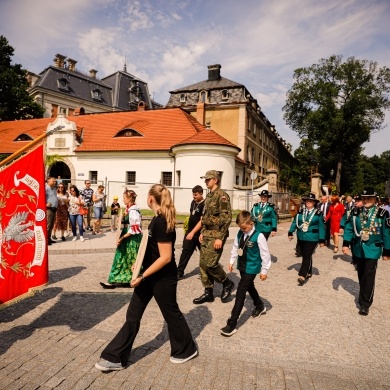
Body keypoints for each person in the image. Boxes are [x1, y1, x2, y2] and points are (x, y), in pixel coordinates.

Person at [95, 184, 198, 371]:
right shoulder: (156, 220)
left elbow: (166, 257)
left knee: (171, 314)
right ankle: (115, 356)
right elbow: (151, 250)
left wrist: (142, 274)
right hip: (149, 274)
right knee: (132, 315)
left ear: (151, 198)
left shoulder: (162, 222)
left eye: (147, 195)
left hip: (163, 278)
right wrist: (139, 265)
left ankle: (186, 349)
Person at [220, 210, 271, 337]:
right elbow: (235, 247)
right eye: (240, 228)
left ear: (252, 223)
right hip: (242, 265)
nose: (243, 230)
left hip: (252, 267)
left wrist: (264, 271)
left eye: (244, 227)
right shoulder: (240, 233)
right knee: (249, 286)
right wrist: (232, 261)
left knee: (241, 291)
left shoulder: (259, 236)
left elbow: (265, 255)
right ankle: (260, 306)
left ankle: (232, 324)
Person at [342, 188, 390, 316]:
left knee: (369, 275)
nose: (366, 200)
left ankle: (365, 303)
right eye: (363, 198)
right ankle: (363, 294)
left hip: (373, 248)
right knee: (361, 273)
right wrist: (346, 244)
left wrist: (387, 251)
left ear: (375, 199)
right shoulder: (356, 211)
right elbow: (349, 228)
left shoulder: (382, 213)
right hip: (358, 248)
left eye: (369, 198)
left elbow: (386, 233)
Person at [193, 170, 234, 304]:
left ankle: (226, 283)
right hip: (207, 234)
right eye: (205, 179)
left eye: (208, 179)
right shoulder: (209, 196)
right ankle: (208, 292)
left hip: (216, 234)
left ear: (215, 180)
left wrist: (220, 237)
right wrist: (202, 232)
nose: (205, 182)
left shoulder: (222, 196)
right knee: (203, 264)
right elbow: (205, 217)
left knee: (211, 264)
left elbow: (226, 218)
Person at [100, 190, 142, 289]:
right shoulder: (129, 209)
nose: (123, 200)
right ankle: (116, 279)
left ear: (130, 198)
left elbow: (134, 229)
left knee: (130, 258)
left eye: (124, 198)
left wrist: (122, 238)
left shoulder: (133, 211)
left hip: (131, 238)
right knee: (122, 257)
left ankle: (132, 279)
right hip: (127, 236)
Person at [288, 192, 326, 285]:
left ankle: (302, 275)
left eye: (311, 201)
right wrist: (290, 232)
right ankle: (309, 271)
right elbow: (295, 222)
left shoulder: (318, 213)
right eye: (307, 200)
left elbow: (321, 226)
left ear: (314, 203)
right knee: (305, 254)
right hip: (301, 236)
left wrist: (322, 239)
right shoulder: (300, 211)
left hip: (312, 238)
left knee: (307, 256)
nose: (308, 202)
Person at [177, 185, 205, 280]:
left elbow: (202, 221)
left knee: (204, 254)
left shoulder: (204, 204)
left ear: (201, 193)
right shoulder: (193, 202)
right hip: (190, 232)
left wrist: (193, 232)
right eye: (193, 195)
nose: (194, 197)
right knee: (185, 252)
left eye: (196, 195)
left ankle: (205, 273)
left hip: (200, 234)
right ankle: (179, 272)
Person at [340, 195, 363, 270]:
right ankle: (355, 260)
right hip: (353, 234)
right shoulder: (351, 210)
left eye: (358, 201)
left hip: (364, 236)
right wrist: (342, 226)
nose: (356, 203)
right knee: (353, 247)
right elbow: (345, 219)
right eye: (355, 201)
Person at [45, 177, 58, 246]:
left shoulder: (54, 188)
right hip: (48, 209)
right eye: (53, 181)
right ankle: (46, 240)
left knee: (51, 225)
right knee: (48, 225)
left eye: (55, 181)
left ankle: (49, 238)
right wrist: (45, 204)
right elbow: (41, 197)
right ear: (48, 181)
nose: (54, 182)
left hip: (54, 208)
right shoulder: (46, 188)